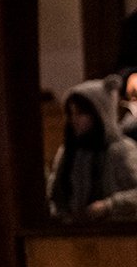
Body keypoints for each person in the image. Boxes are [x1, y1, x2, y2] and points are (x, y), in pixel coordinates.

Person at [47, 78, 137, 223]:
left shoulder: (121, 150)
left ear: (99, 114)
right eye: (71, 114)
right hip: (73, 231)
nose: (74, 119)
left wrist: (109, 205)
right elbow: (54, 194)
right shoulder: (68, 151)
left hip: (116, 233)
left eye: (81, 114)